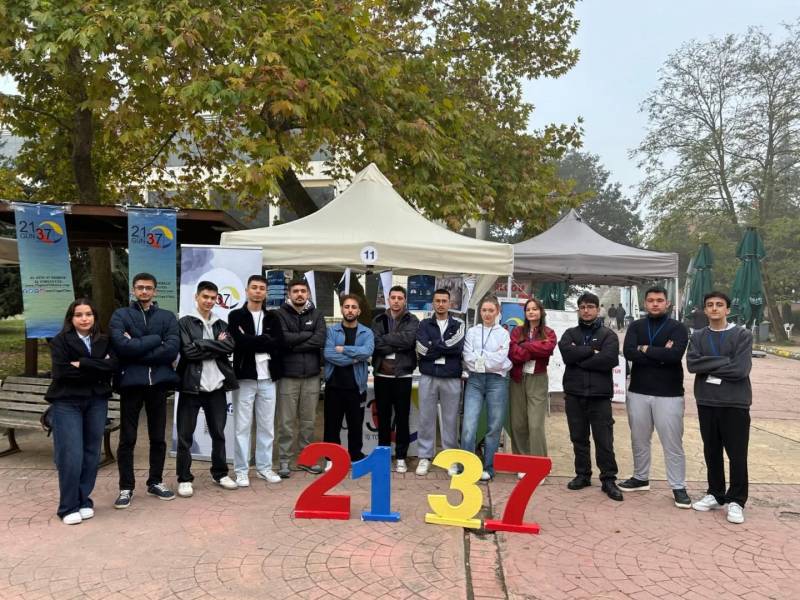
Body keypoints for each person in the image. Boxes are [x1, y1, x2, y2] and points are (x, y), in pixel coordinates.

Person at [109, 273, 180, 509]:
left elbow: (171, 350)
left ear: (155, 291)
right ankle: (126, 487)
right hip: (131, 384)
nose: (144, 291)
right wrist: (156, 339)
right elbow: (122, 347)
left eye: (149, 288)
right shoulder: (121, 315)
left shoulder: (167, 317)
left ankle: (155, 481)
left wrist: (136, 346)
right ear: (133, 290)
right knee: (127, 438)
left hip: (158, 385)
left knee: (158, 437)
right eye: (140, 287)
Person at [45, 299, 117, 524]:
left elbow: (113, 366)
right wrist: (97, 366)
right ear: (71, 318)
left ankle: (83, 500)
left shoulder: (104, 340)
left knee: (91, 453)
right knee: (71, 455)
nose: (84, 319)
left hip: (96, 401)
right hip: (67, 402)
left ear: (94, 317)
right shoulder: (60, 341)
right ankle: (68, 507)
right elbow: (62, 373)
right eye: (79, 315)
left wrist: (83, 363)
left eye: (88, 314)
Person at [620, 286, 691, 508]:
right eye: (651, 300)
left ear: (667, 303)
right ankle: (640, 477)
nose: (655, 304)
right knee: (639, 439)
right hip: (638, 391)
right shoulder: (636, 326)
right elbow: (628, 352)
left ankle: (678, 486)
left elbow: (674, 356)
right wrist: (660, 353)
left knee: (672, 442)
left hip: (669, 394)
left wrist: (644, 349)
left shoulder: (678, 328)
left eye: (659, 300)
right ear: (645, 303)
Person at [686, 291, 753, 524]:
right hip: (706, 401)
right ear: (705, 310)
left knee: (737, 454)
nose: (714, 308)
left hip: (735, 402)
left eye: (719, 304)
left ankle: (736, 500)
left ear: (728, 309)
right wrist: (726, 360)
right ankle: (715, 493)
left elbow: (740, 370)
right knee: (711, 451)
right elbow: (692, 365)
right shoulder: (698, 336)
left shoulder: (742, 335)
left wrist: (708, 365)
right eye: (710, 305)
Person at [175, 281, 238, 496]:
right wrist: (215, 346)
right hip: (191, 387)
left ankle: (220, 473)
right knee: (185, 435)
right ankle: (184, 478)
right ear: (196, 297)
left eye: (213, 298)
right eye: (205, 297)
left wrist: (201, 343)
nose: (209, 301)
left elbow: (229, 346)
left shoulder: (221, 324)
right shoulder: (184, 323)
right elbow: (188, 353)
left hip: (217, 387)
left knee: (218, 433)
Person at [559, 292, 623, 501]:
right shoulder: (569, 334)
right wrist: (592, 351)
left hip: (599, 395)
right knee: (578, 437)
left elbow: (609, 359)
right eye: (582, 307)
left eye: (590, 307)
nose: (586, 310)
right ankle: (582, 474)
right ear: (579, 310)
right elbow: (567, 355)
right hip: (574, 394)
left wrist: (579, 357)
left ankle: (608, 479)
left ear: (597, 309)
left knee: (604, 439)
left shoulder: (608, 335)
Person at [228, 275, 285, 487]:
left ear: (266, 292)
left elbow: (279, 343)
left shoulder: (273, 317)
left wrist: (253, 341)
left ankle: (264, 468)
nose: (258, 291)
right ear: (247, 290)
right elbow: (239, 343)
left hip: (268, 378)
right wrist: (263, 340)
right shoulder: (236, 315)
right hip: (245, 377)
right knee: (242, 427)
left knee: (267, 427)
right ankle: (241, 471)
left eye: (262, 288)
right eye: (254, 287)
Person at [275, 278, 327, 477]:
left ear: (308, 294)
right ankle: (284, 461)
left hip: (312, 376)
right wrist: (307, 335)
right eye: (295, 291)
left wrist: (294, 344)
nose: (299, 294)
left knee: (308, 421)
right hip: (287, 376)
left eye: (303, 291)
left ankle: (306, 460)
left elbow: (320, 339)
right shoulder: (279, 314)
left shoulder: (317, 314)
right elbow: (283, 340)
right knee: (286, 422)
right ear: (289, 294)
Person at [415, 288, 465, 476]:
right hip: (428, 376)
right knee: (425, 417)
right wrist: (443, 348)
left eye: (444, 301)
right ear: (433, 303)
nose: (441, 304)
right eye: (437, 301)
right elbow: (421, 349)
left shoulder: (459, 324)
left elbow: (457, 346)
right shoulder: (423, 324)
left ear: (450, 303)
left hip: (451, 377)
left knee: (450, 419)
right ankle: (425, 457)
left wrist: (434, 345)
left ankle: (451, 458)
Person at [461, 296, 512, 481]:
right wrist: (488, 356)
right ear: (480, 312)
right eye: (484, 310)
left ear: (497, 311)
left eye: (491, 310)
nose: (487, 314)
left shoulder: (503, 334)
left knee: (494, 426)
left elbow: (500, 359)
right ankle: (466, 466)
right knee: (469, 425)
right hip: (475, 380)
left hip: (497, 381)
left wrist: (481, 357)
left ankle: (488, 467)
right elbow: (467, 356)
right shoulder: (472, 331)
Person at [372, 285, 419, 473]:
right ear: (388, 299)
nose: (396, 301)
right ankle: (383, 455)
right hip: (382, 376)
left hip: (403, 375)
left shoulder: (412, 320)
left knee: (402, 418)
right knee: (383, 418)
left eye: (400, 298)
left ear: (405, 300)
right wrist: (397, 342)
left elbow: (409, 341)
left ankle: (401, 457)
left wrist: (387, 339)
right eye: (393, 297)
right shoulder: (378, 319)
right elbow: (376, 343)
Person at [323, 294, 375, 465]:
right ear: (342, 309)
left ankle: (355, 456)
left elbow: (367, 352)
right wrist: (354, 358)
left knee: (355, 425)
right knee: (332, 426)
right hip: (334, 386)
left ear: (359, 311)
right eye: (347, 307)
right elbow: (328, 354)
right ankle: (331, 458)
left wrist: (343, 349)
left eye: (353, 307)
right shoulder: (332, 331)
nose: (350, 310)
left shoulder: (366, 332)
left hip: (356, 387)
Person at [508, 298, 557, 461]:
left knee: (535, 424)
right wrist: (535, 348)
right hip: (517, 378)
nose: (531, 312)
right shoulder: (517, 332)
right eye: (528, 309)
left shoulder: (549, 332)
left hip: (538, 379)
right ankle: (521, 461)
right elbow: (513, 353)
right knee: (518, 424)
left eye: (534, 309)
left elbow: (547, 349)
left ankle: (538, 463)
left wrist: (524, 345)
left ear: (541, 312)